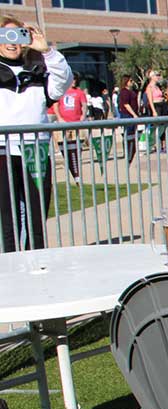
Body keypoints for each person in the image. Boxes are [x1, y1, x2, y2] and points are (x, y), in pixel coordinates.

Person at [0, 16, 70, 252]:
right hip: (3, 151)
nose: (12, 43)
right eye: (5, 36)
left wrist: (47, 51)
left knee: (36, 219)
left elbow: (62, 83)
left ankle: (37, 266)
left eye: (18, 36)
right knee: (8, 221)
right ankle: (9, 271)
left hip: (35, 151)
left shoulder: (38, 69)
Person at [53, 75, 85, 180]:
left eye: (75, 80)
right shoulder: (61, 92)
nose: (74, 82)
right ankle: (68, 164)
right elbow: (55, 105)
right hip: (64, 122)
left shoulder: (79, 92)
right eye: (72, 80)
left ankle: (76, 169)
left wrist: (83, 116)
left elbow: (84, 105)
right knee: (64, 146)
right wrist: (59, 117)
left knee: (76, 146)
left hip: (76, 122)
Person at [116, 74, 138, 164]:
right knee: (128, 134)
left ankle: (131, 151)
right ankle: (128, 152)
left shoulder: (131, 91)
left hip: (132, 114)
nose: (132, 82)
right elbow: (126, 104)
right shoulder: (124, 92)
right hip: (127, 115)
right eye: (130, 81)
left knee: (132, 134)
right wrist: (134, 114)